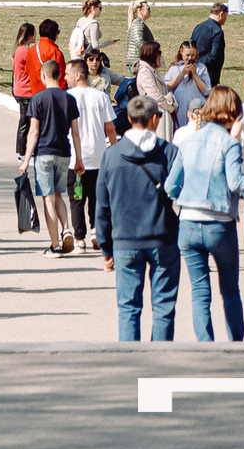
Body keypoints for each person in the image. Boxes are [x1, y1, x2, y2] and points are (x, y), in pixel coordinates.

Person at [165, 85, 244, 341]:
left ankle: (206, 346)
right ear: (232, 113)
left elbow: (170, 186)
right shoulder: (229, 143)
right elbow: (235, 183)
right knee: (230, 290)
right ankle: (235, 346)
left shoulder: (187, 140)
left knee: (200, 290)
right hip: (218, 223)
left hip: (188, 222)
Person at [96, 98, 180, 342]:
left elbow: (102, 206)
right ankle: (160, 365)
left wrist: (105, 248)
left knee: (129, 309)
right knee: (164, 308)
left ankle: (130, 365)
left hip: (125, 241)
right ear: (154, 119)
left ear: (130, 119)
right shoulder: (169, 152)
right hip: (163, 238)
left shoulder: (111, 155)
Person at [19, 58, 82, 255]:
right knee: (59, 194)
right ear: (60, 75)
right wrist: (79, 159)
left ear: (43, 75)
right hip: (64, 153)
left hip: (44, 154)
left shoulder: (38, 99)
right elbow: (76, 132)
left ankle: (54, 244)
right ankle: (67, 229)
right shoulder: (69, 99)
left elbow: (34, 133)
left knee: (48, 198)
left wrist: (27, 159)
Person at [63, 59, 117, 251]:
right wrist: (116, 151)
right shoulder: (101, 97)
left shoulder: (68, 97)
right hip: (98, 156)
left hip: (75, 158)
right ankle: (95, 229)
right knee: (96, 197)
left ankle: (79, 239)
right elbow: (110, 129)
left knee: (77, 198)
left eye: (68, 74)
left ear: (77, 75)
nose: (65, 77)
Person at [192, 2, 228, 90]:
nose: (225, 19)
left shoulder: (198, 27)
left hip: (194, 70)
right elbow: (214, 55)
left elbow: (190, 46)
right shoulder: (217, 31)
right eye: (225, 16)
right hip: (209, 73)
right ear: (221, 13)